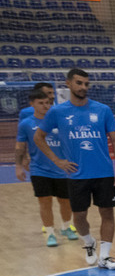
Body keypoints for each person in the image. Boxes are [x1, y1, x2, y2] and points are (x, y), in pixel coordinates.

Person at [34, 68, 115, 269]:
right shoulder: (57, 112)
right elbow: (38, 137)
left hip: (104, 173)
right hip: (77, 175)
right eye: (79, 83)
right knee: (79, 216)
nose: (83, 87)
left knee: (107, 213)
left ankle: (105, 256)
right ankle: (89, 242)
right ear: (68, 83)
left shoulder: (102, 110)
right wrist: (57, 161)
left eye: (86, 83)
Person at [15, 88, 77, 246]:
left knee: (65, 202)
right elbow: (20, 146)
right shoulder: (26, 124)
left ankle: (66, 227)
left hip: (63, 168)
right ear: (32, 104)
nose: (45, 106)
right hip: (39, 169)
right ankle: (50, 233)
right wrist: (19, 165)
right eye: (41, 103)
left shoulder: (60, 121)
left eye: (48, 103)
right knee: (45, 201)